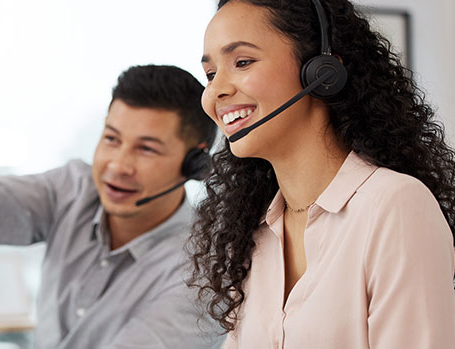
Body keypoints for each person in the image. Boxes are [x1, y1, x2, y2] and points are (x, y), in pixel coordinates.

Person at [0, 64, 221, 348]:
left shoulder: (201, 276)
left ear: (195, 164)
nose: (117, 165)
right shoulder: (73, 190)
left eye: (146, 149)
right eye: (111, 139)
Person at [188, 0, 455, 348]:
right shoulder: (257, 232)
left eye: (242, 62)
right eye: (210, 74)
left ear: (321, 72)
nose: (215, 91)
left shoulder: (393, 206)